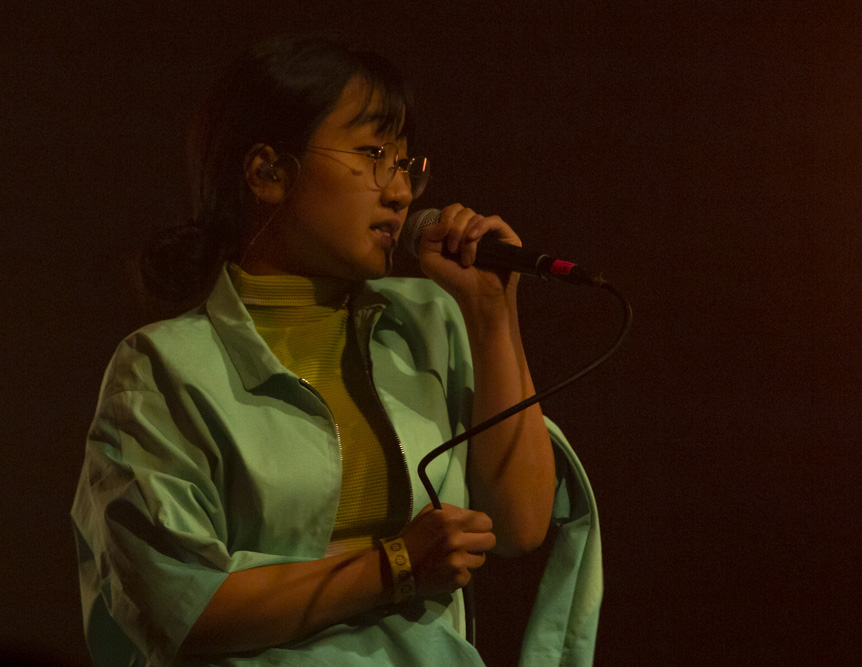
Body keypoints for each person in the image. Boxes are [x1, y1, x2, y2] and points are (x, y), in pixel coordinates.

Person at [71, 34, 601, 666]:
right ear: (267, 172)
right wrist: (394, 566)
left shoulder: (429, 321)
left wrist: (491, 314)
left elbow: (520, 523)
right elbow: (177, 608)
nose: (401, 192)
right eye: (374, 154)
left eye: (406, 164)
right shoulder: (164, 369)